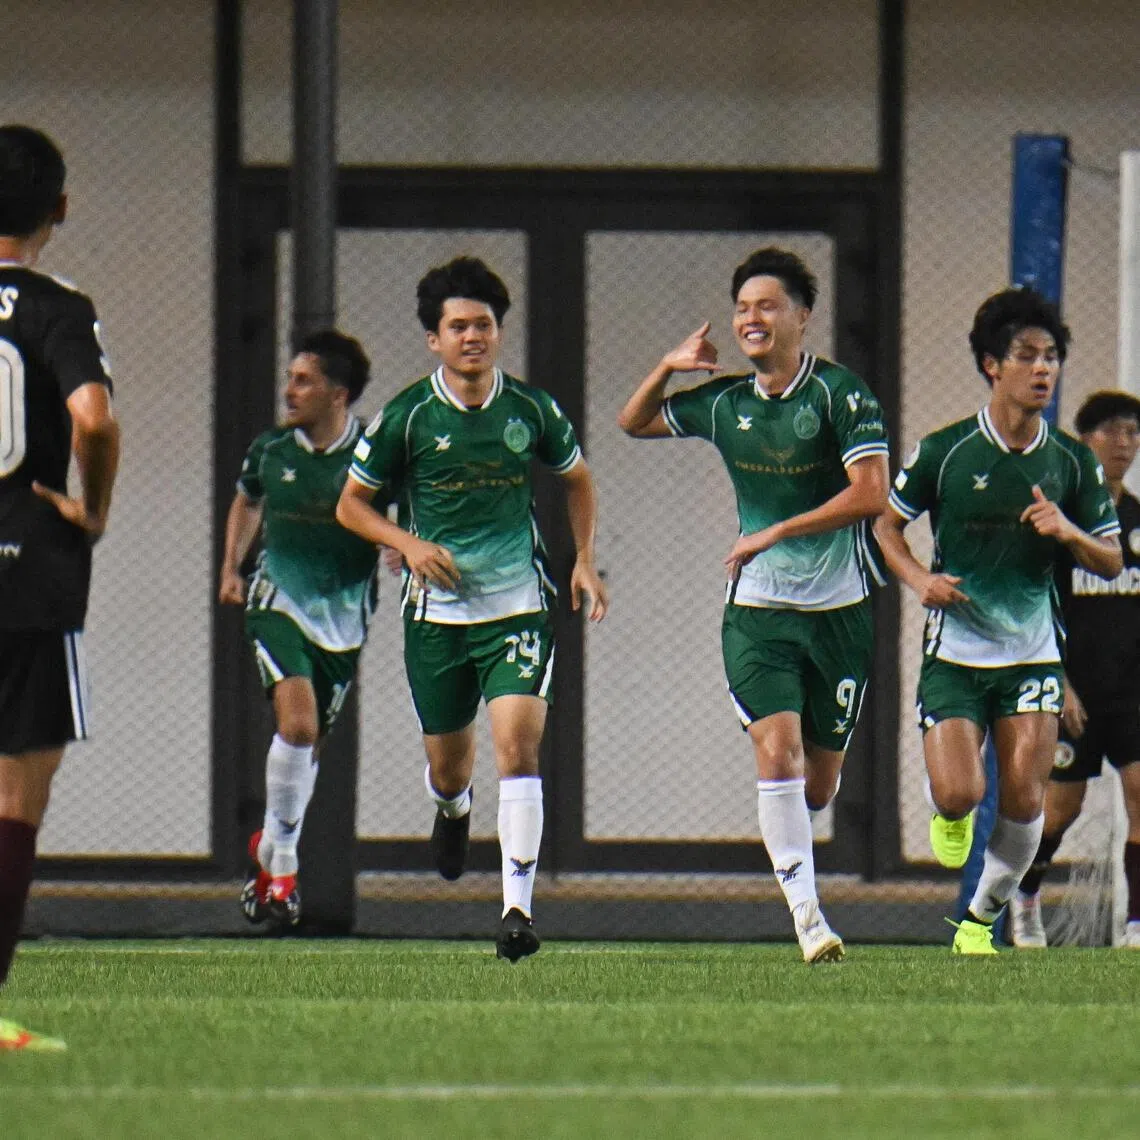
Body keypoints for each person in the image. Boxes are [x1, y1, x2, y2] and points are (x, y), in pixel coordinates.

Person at [617, 247, 889, 964]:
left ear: (804, 315)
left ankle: (802, 880)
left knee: (820, 786)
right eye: (742, 308)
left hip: (840, 613)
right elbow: (632, 422)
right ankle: (808, 918)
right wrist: (670, 367)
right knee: (779, 751)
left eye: (767, 305)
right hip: (758, 613)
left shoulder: (841, 395)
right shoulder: (729, 401)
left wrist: (774, 530)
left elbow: (871, 495)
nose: (751, 319)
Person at [336, 256, 607, 962]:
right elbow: (351, 506)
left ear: (498, 332)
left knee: (518, 748)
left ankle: (517, 908)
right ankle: (451, 809)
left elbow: (577, 479)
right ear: (434, 339)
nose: (472, 337)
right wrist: (407, 542)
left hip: (517, 606)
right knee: (453, 767)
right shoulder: (408, 416)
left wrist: (581, 558)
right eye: (458, 326)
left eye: (483, 325)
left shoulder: (532, 410)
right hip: (436, 616)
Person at [874, 288, 1123, 955]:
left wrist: (1068, 529)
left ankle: (981, 919)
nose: (1043, 370)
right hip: (956, 652)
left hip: (1033, 653)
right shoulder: (946, 451)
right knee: (962, 794)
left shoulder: (1071, 462)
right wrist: (920, 578)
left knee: (1023, 799)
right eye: (1026, 356)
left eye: (1051, 358)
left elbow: (1111, 557)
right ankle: (947, 807)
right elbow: (885, 526)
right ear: (992, 365)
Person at [0, 126, 120, 1050]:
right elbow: (93, 417)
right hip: (25, 566)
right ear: (63, 209)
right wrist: (92, 508)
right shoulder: (56, 305)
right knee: (14, 798)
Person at [219, 330, 378, 929]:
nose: (290, 390)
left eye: (304, 380)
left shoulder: (373, 452)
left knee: (308, 745)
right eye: (289, 378)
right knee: (298, 722)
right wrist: (232, 565)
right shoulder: (271, 451)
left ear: (338, 394)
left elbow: (408, 505)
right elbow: (247, 501)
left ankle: (271, 846)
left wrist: (402, 546)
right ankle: (283, 861)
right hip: (276, 598)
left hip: (344, 614)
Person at [1010, 389, 1140, 949]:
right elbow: (1034, 604)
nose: (1124, 443)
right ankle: (1024, 896)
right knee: (1061, 808)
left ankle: (1136, 924)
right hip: (1074, 692)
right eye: (1112, 430)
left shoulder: (1137, 520)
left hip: (1131, 692)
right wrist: (1058, 682)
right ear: (1084, 441)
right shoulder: (1059, 520)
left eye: (1133, 433)